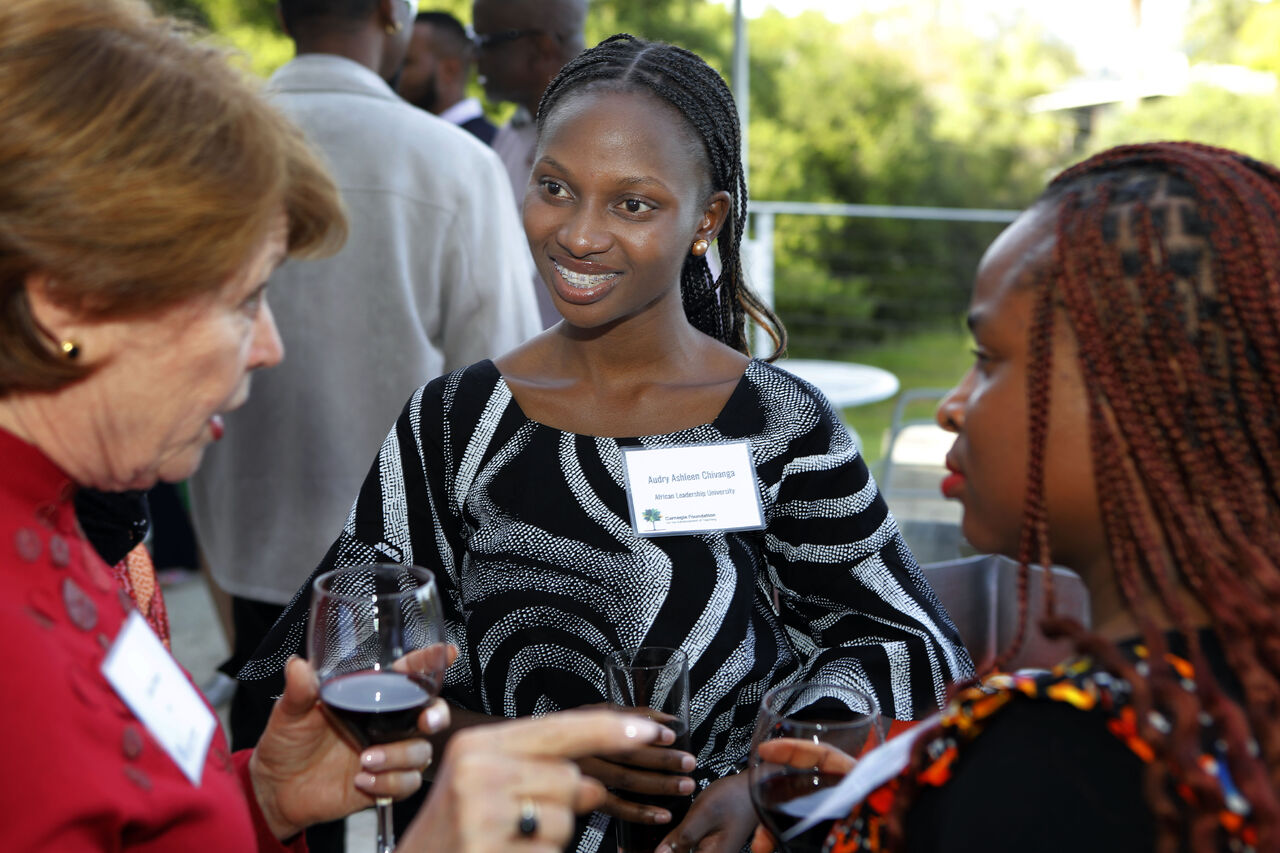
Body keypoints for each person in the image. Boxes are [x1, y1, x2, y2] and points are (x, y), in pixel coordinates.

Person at [243, 33, 972, 853]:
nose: (579, 235)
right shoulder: (455, 421)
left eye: (633, 204)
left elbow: (905, 643)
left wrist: (767, 782)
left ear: (706, 220)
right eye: (555, 187)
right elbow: (339, 664)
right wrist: (514, 742)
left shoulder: (779, 425)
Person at [0, 2, 675, 850]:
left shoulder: (63, 528)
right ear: (66, 307)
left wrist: (259, 795)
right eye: (243, 299)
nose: (270, 346)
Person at [755, 142, 1280, 853]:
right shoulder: (1230, 697)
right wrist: (907, 811)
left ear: (1136, 401)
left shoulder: (1056, 765)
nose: (952, 406)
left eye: (986, 360)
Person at [186, 0, 540, 789]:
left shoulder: (199, 145)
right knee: (410, 790)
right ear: (391, 13)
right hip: (412, 573)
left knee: (264, 785)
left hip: (248, 546)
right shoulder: (453, 162)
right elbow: (503, 387)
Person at [472, 0, 589, 328]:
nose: (473, 56)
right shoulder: (512, 133)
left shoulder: (621, 134)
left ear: (541, 48)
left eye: (485, 41)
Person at [398, 11, 498, 146]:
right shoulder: (408, 134)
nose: (395, 74)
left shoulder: (490, 146)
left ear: (449, 70)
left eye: (406, 63)